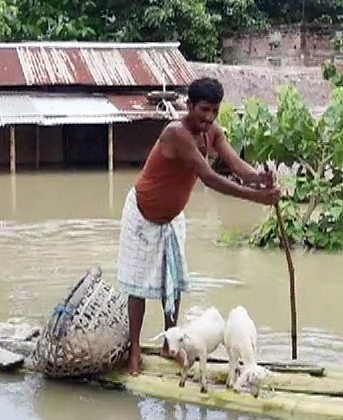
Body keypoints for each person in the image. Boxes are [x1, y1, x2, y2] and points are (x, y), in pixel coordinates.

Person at [116, 76, 281, 376]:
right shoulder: (176, 133)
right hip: (142, 214)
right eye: (203, 110)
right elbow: (209, 177)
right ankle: (135, 350)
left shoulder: (212, 133)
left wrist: (258, 178)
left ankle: (170, 344)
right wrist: (258, 198)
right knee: (138, 288)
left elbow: (234, 164)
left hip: (172, 217)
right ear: (189, 106)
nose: (209, 117)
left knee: (174, 283)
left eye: (214, 111)